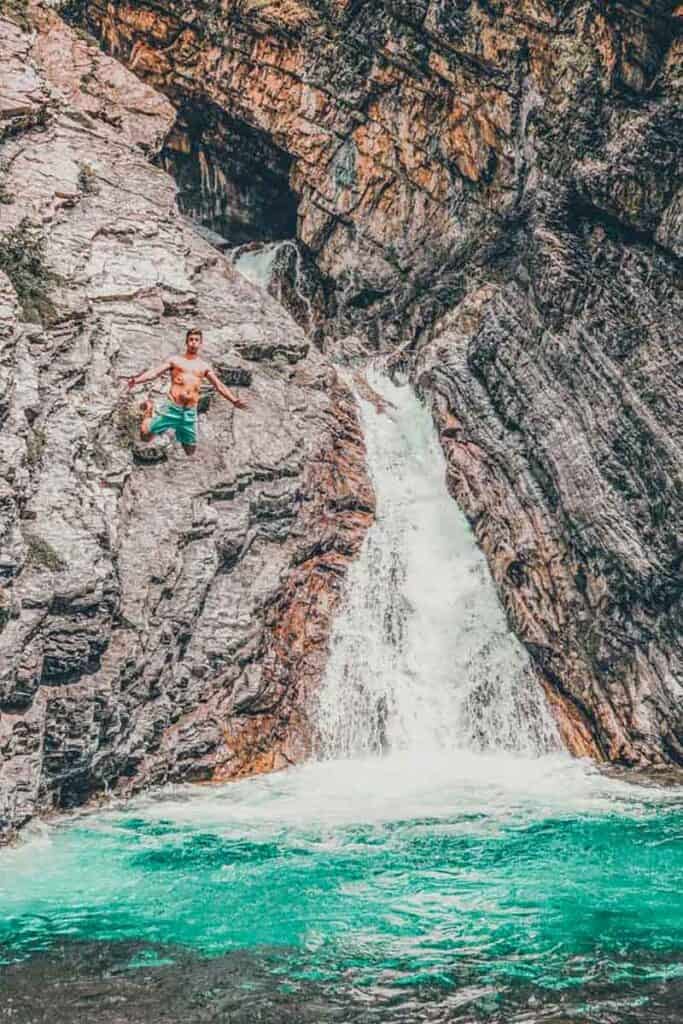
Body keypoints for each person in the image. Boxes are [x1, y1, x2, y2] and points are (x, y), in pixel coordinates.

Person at [126, 328, 247, 457]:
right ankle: (149, 409)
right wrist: (137, 380)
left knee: (190, 451)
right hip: (172, 408)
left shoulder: (204, 366)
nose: (193, 342)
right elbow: (155, 373)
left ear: (200, 343)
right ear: (186, 342)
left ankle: (178, 429)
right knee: (145, 437)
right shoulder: (176, 360)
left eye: (196, 340)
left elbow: (219, 385)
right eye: (191, 340)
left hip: (189, 412)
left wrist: (233, 400)